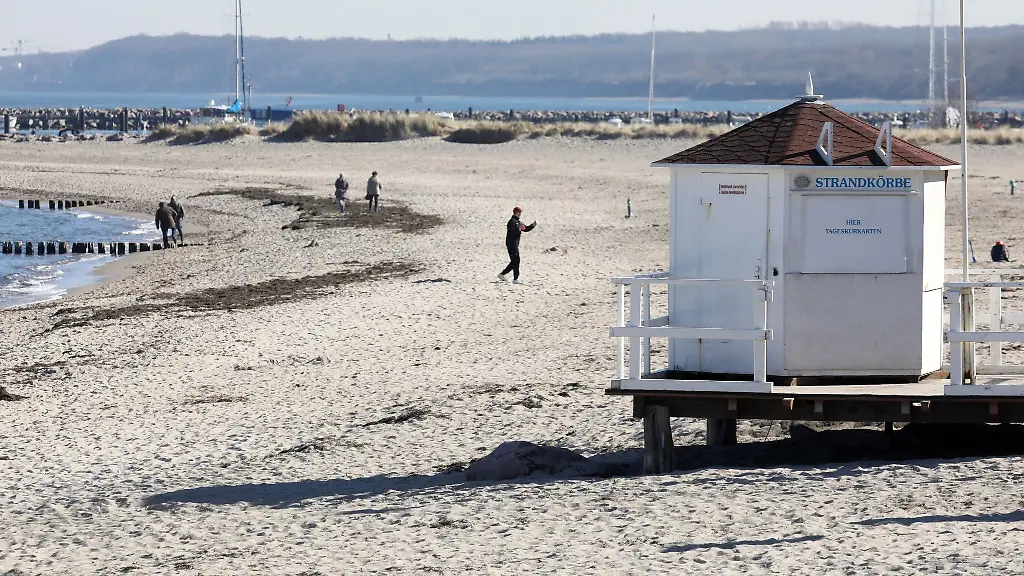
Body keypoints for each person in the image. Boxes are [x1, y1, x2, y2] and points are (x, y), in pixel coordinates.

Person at [498, 206, 537, 284]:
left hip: (515, 244)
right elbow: (511, 231)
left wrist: (532, 225)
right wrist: (518, 228)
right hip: (511, 244)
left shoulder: (518, 222)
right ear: (516, 213)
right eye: (519, 213)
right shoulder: (511, 221)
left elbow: (525, 229)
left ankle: (502, 274)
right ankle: (515, 279)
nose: (520, 214)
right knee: (516, 261)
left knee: (515, 261)